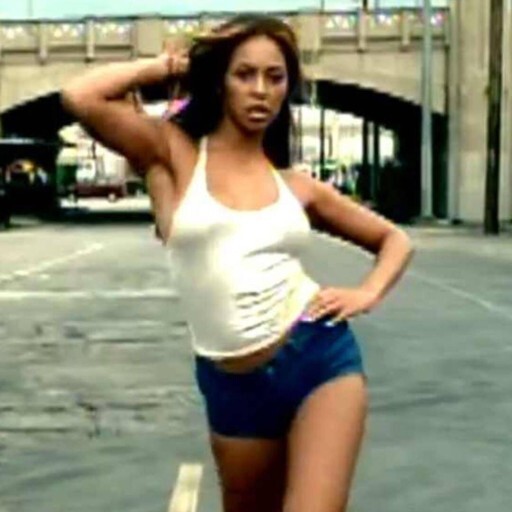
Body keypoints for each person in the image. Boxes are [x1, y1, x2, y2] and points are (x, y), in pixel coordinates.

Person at [61, 14, 414, 512]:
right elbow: (81, 96)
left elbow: (394, 240)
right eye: (244, 74)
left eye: (275, 77)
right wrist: (168, 66)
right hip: (231, 384)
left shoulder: (297, 186)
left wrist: (367, 293)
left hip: (318, 358)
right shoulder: (175, 154)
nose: (261, 90)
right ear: (220, 81)